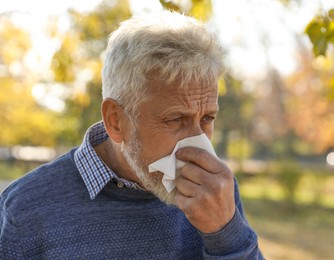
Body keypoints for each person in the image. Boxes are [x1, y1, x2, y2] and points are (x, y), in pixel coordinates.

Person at [0, 11, 264, 259]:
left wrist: (226, 234)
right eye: (175, 119)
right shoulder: (24, 211)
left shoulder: (216, 190)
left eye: (207, 118)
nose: (200, 143)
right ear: (116, 120)